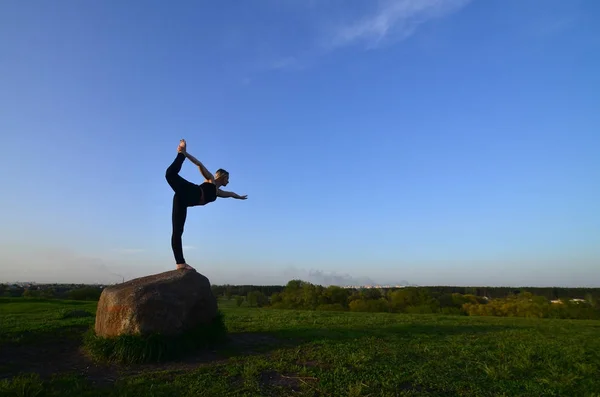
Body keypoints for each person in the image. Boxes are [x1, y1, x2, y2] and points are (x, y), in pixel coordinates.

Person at [165, 139, 247, 271]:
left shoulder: (218, 192)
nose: (228, 181)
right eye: (228, 178)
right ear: (223, 176)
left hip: (183, 201)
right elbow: (199, 164)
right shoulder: (211, 180)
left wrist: (239, 197)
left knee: (177, 231)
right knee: (170, 174)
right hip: (191, 191)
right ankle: (180, 153)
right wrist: (185, 153)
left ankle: (180, 263)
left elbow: (230, 194)